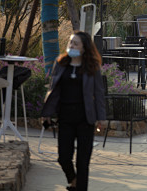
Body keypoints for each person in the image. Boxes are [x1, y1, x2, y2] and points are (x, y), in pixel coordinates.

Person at [41, 31, 106, 191]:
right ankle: (73, 180)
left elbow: (98, 93)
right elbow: (53, 89)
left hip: (85, 119)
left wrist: (101, 117)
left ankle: (80, 187)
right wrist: (47, 112)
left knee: (83, 163)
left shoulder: (92, 67)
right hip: (65, 118)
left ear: (84, 48)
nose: (72, 46)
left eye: (76, 43)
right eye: (70, 42)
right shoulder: (61, 63)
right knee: (63, 157)